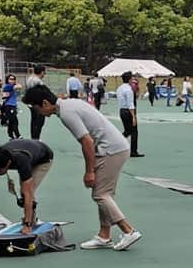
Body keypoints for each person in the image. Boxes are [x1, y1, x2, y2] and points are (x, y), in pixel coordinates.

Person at [24, 84, 142, 251]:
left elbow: (87, 142)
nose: (36, 112)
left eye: (35, 108)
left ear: (44, 103)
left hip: (111, 150)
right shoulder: (69, 104)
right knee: (104, 194)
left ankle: (128, 230)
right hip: (115, 147)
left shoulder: (66, 113)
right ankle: (104, 235)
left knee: (100, 195)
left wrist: (89, 171)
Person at [116, 71, 143, 157]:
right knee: (134, 131)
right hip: (128, 111)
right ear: (130, 79)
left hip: (121, 110)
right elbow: (130, 104)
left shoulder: (119, 88)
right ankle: (133, 151)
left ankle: (116, 143)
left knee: (127, 131)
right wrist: (134, 117)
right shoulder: (128, 90)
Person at [26, 65, 47, 140]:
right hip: (37, 104)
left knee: (34, 120)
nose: (44, 74)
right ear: (41, 72)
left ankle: (33, 137)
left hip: (30, 103)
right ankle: (36, 138)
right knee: (39, 121)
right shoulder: (38, 81)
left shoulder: (29, 78)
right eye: (44, 72)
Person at [1, 74, 21, 139]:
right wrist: (16, 85)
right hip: (9, 106)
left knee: (12, 121)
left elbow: (17, 92)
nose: (12, 80)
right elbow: (19, 86)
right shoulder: (7, 86)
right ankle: (17, 135)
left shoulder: (12, 87)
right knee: (15, 121)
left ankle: (10, 135)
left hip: (13, 105)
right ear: (7, 80)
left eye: (13, 79)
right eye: (11, 79)